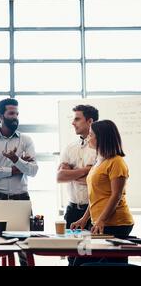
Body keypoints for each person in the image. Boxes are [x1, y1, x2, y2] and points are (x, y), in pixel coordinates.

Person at [0, 98, 38, 265]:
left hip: (21, 199)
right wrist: (15, 168)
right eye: (11, 113)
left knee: (26, 251)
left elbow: (33, 170)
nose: (16, 117)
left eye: (17, 113)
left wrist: (15, 159)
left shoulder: (26, 140)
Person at [71, 120, 134, 265]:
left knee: (85, 262)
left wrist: (102, 220)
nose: (88, 138)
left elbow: (116, 195)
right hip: (100, 222)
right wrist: (84, 218)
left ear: (102, 138)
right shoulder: (98, 162)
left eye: (91, 135)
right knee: (81, 260)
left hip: (116, 223)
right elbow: (96, 196)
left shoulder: (116, 162)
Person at [57, 105, 98, 266]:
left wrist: (73, 173)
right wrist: (87, 171)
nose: (73, 123)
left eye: (77, 119)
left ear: (90, 121)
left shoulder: (102, 147)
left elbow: (96, 180)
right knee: (72, 257)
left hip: (92, 211)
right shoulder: (70, 147)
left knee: (87, 257)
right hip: (72, 211)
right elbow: (60, 176)